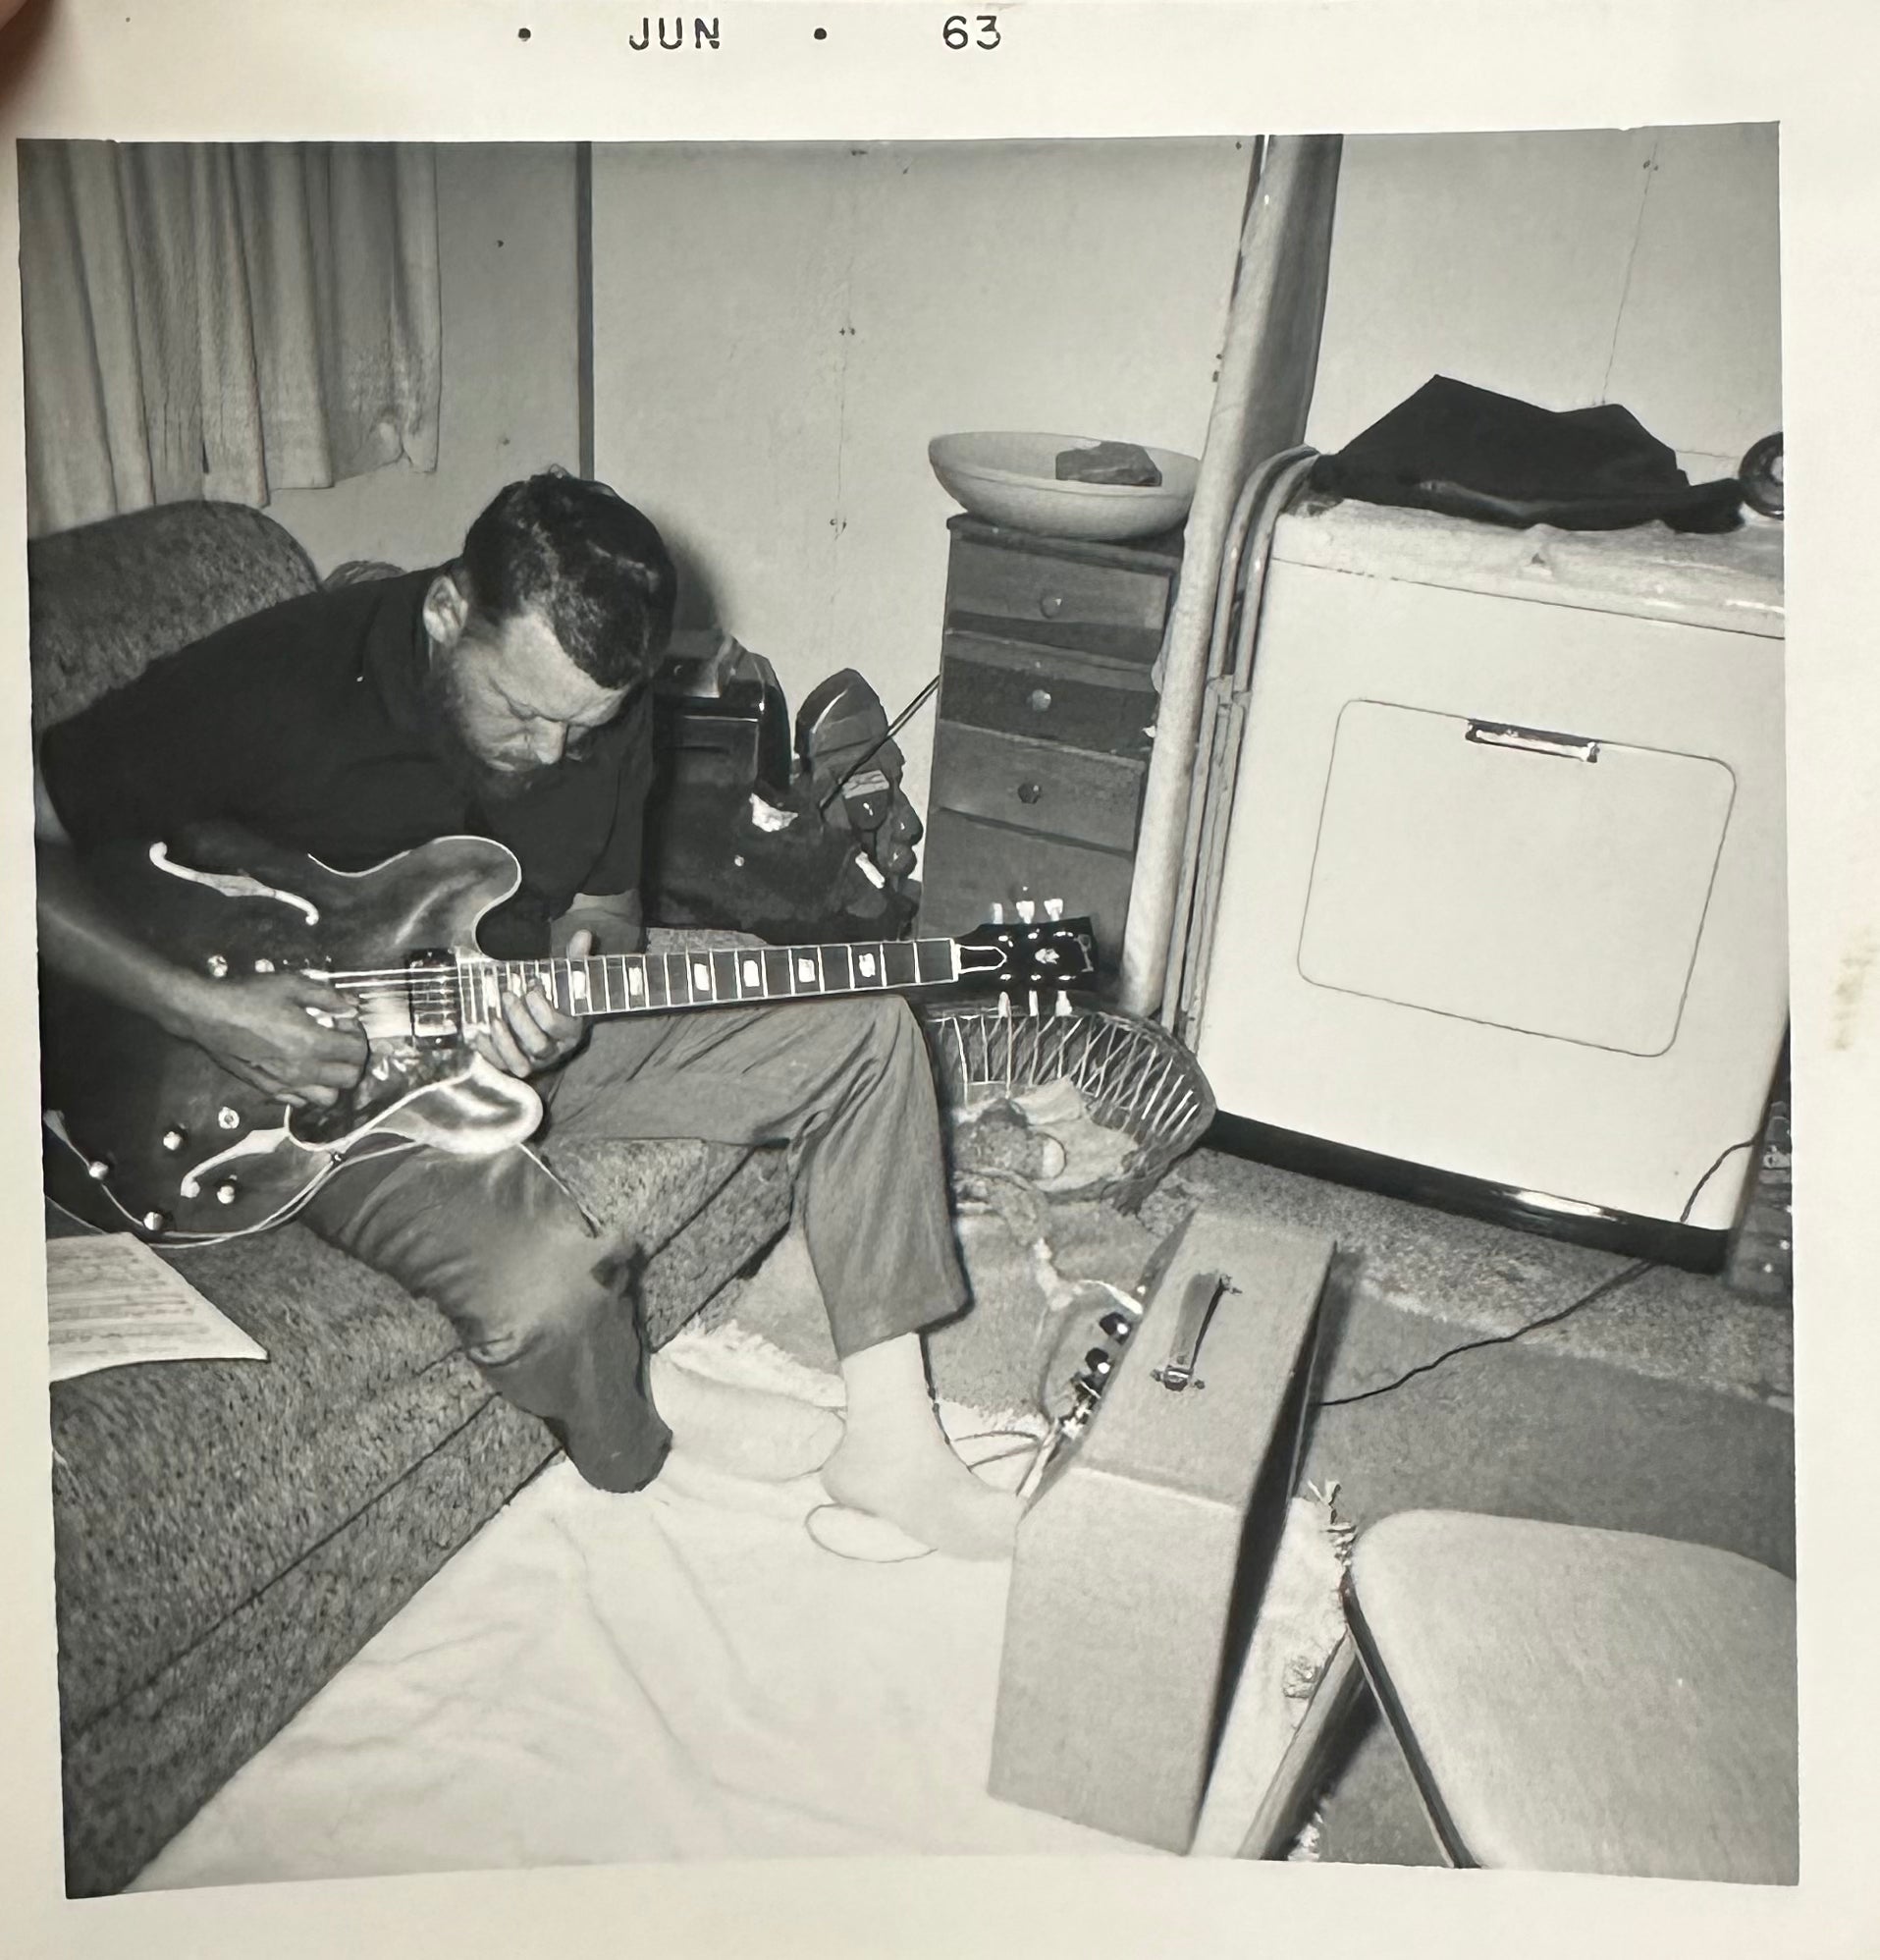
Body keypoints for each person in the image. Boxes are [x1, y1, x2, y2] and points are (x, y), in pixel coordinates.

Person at [33, 470, 1020, 1559]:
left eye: (581, 728)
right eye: (523, 710)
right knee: (552, 1294)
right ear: (450, 611)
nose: (553, 752)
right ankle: (644, 1423)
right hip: (295, 1089)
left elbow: (607, 902)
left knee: (862, 1022)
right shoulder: (281, 679)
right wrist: (209, 1010)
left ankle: (889, 1439)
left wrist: (571, 970)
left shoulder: (600, 699)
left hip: (499, 1011)